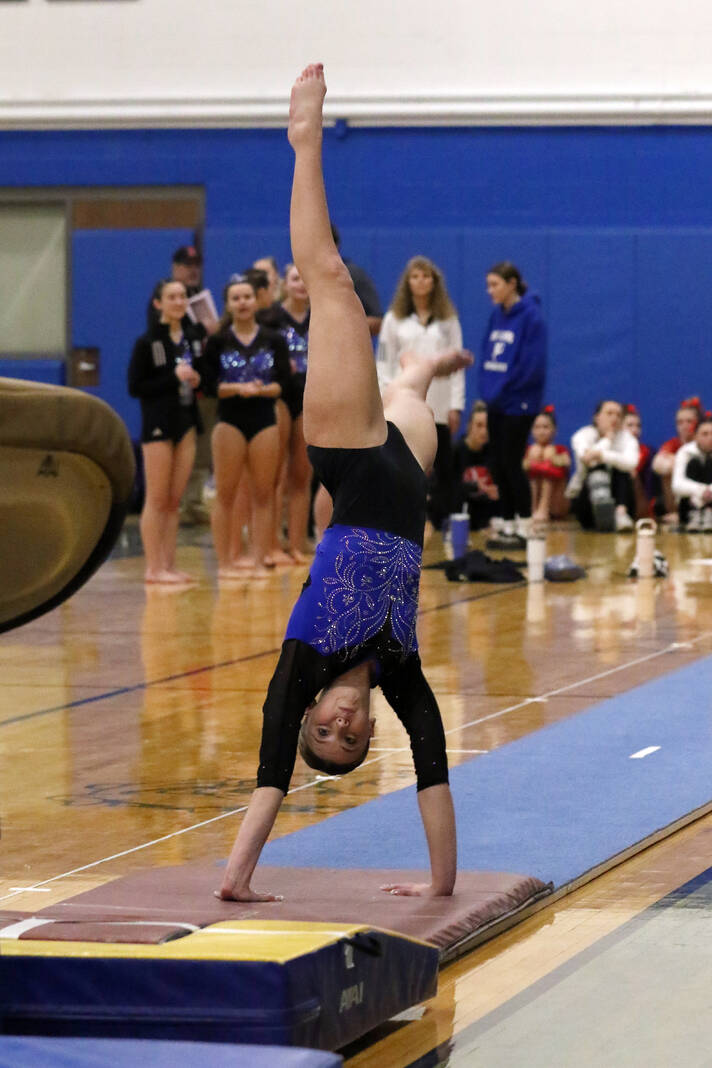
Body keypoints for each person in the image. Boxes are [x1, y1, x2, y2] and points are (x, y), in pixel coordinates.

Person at [218, 64, 468, 903]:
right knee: (412, 393)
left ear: (312, 711)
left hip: (351, 454)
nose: (340, 724)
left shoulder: (305, 660)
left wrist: (237, 881)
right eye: (349, 740)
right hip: (406, 475)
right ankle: (424, 366)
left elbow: (269, 781)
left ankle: (304, 141)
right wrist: (439, 889)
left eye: (322, 731)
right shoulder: (400, 669)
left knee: (330, 279)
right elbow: (433, 772)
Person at [202, 275, 290, 577]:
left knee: (263, 494)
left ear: (256, 301)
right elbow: (209, 386)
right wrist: (237, 388)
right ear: (228, 304)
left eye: (247, 297)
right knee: (225, 494)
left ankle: (259, 559)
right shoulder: (218, 341)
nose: (242, 303)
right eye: (236, 298)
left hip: (264, 419)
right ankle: (225, 562)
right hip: (230, 421)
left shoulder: (274, 339)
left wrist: (261, 390)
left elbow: (283, 383)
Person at [376, 255, 465, 531]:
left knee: (443, 466)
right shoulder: (394, 319)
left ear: (434, 281)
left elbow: (457, 364)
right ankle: (401, 518)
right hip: (404, 404)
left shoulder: (448, 320)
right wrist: (386, 399)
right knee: (403, 462)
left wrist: (456, 404)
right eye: (415, 276)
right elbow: (384, 363)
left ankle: (443, 521)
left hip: (439, 402)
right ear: (407, 282)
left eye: (426, 276)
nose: (421, 281)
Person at [128, 279, 203, 583]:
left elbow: (202, 374)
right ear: (158, 303)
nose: (178, 301)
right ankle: (153, 568)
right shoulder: (147, 342)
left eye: (182, 296)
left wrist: (197, 379)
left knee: (174, 500)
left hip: (186, 420)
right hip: (158, 423)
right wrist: (173, 378)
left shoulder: (191, 340)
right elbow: (136, 387)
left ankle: (169, 566)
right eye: (171, 297)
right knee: (157, 499)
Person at [477, 261, 547, 548]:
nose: (489, 290)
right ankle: (507, 522)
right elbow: (487, 355)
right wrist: (487, 389)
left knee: (511, 461)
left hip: (519, 403)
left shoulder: (532, 317)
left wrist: (505, 389)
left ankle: (525, 524)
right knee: (496, 463)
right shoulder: (497, 315)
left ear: (512, 284)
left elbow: (532, 366)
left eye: (495, 284)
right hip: (496, 401)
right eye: (488, 285)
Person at [261, 263, 312, 563]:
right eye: (295, 279)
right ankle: (272, 544)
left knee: (301, 475)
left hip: (309, 398)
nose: (301, 284)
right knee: (275, 474)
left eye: (305, 279)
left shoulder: (320, 317)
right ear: (285, 284)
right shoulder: (271, 318)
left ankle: (296, 544)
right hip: (280, 396)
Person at [566, 400, 638, 531]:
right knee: (597, 469)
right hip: (586, 500)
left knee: (621, 470)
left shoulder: (627, 438)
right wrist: (607, 440)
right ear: (597, 417)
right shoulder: (582, 435)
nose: (614, 418)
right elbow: (588, 460)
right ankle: (601, 511)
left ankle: (621, 514)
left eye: (618, 415)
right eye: (609, 413)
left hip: (621, 498)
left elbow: (631, 463)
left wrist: (602, 455)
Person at [652, 398, 701, 524]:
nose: (684, 426)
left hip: (703, 491)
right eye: (680, 422)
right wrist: (679, 464)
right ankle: (675, 512)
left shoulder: (705, 443)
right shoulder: (673, 444)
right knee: (665, 469)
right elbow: (658, 464)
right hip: (680, 494)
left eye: (689, 421)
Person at [452, 400, 499, 530]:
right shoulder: (455, 451)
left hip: (487, 522)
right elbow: (446, 489)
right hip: (459, 520)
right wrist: (474, 486)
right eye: (479, 425)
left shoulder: (494, 452)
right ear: (469, 426)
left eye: (488, 426)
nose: (484, 431)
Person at [329, 223, 383, 337]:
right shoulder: (299, 276)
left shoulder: (353, 275)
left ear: (335, 246)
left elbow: (377, 321)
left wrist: (338, 328)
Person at [522, 405, 571, 523]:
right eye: (537, 427)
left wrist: (548, 461)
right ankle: (532, 508)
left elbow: (566, 463)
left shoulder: (560, 449)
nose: (541, 432)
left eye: (545, 427)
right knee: (535, 451)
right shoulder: (528, 450)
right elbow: (521, 467)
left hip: (556, 505)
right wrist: (538, 463)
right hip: (532, 498)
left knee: (549, 451)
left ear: (554, 430)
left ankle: (544, 507)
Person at [672, 413, 712, 532]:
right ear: (695, 436)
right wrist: (702, 490)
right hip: (689, 506)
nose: (710, 438)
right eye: (705, 434)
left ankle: (709, 513)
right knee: (694, 463)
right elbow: (676, 485)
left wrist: (710, 491)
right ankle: (695, 514)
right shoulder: (685, 452)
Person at [622, 403, 653, 520]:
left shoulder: (647, 452)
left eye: (638, 426)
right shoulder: (611, 452)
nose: (635, 430)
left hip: (641, 508)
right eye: (629, 425)